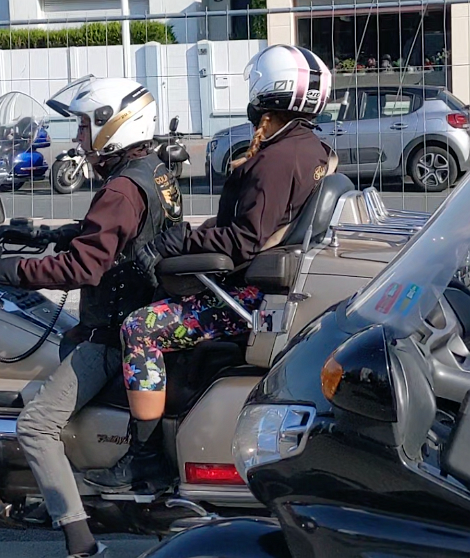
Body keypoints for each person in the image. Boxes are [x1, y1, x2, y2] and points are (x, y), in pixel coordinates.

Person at [83, 44, 334, 493]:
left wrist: (178, 240)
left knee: (139, 328)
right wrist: (190, 236)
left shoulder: (276, 160)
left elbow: (243, 241)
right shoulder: (308, 146)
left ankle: (144, 459)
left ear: (265, 92)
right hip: (266, 285)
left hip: (248, 297)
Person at [0, 77, 183, 558]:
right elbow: (124, 238)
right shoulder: (152, 171)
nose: (80, 137)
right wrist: (48, 234)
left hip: (110, 336)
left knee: (35, 425)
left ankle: (81, 543)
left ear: (114, 125)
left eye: (85, 126)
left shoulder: (120, 189)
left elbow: (85, 267)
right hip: (139, 311)